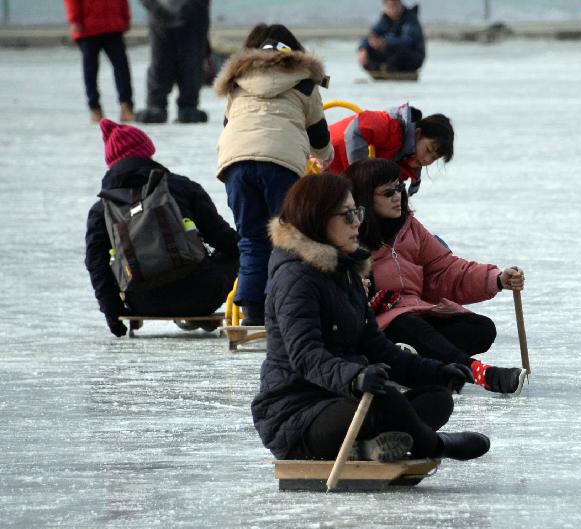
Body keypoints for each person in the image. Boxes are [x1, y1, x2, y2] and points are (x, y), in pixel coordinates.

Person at [252, 172, 490, 463]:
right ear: (318, 218)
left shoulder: (344, 270)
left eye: (358, 212)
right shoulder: (296, 278)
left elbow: (375, 346)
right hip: (298, 415)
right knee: (387, 399)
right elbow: (306, 355)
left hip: (346, 400)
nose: (357, 222)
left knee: (436, 397)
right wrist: (355, 377)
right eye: (347, 215)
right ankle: (435, 445)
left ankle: (366, 448)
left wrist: (436, 371)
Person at [344, 159, 527, 395]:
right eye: (388, 192)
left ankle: (415, 365)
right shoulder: (350, 233)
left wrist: (497, 279)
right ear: (365, 197)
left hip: (414, 312)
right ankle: (482, 374)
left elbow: (444, 269)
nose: (397, 196)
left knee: (480, 328)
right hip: (376, 322)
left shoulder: (409, 227)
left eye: (400, 187)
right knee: (409, 324)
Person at [213, 23, 334, 326]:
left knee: (251, 238)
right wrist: (324, 159)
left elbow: (229, 124)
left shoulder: (238, 80)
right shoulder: (305, 81)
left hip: (235, 163)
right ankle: (283, 309)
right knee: (287, 237)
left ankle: (252, 313)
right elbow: (318, 134)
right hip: (280, 163)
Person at [85, 119, 239, 337]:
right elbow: (220, 236)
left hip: (143, 302)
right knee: (242, 254)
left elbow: (97, 265)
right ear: (147, 152)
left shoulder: (102, 209)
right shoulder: (180, 187)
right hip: (201, 295)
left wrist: (115, 317)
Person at [326, 102, 451, 196]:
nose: (427, 160)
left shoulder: (405, 163)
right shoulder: (391, 126)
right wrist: (361, 176)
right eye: (428, 150)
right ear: (417, 133)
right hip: (317, 160)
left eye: (434, 158)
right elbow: (354, 131)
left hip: (333, 181)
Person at [134, 0, 210, 123]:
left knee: (191, 63)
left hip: (193, 16)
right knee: (160, 62)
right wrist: (155, 8)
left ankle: (188, 104)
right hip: (160, 16)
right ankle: (156, 104)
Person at [63, 0, 134, 123]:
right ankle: (94, 107)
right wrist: (74, 19)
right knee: (91, 71)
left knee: (122, 67)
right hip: (88, 27)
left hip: (113, 25)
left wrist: (125, 17)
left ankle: (126, 106)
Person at [358, 0, 425, 73]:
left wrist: (385, 43)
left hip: (412, 57)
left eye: (395, 5)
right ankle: (381, 68)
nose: (393, 9)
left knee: (399, 50)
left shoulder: (410, 18)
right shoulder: (385, 20)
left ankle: (389, 68)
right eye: (390, 6)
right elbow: (372, 35)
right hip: (389, 58)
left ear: (400, 4)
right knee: (369, 50)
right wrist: (363, 48)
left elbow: (407, 41)